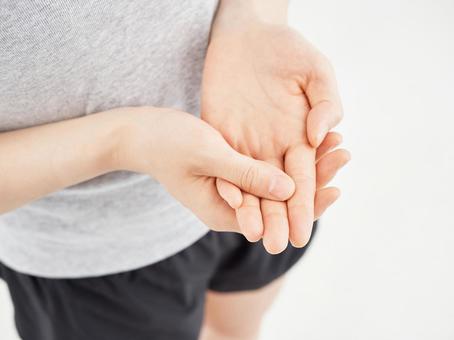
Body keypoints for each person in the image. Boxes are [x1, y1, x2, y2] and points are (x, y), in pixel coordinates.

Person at [0, 1, 350, 339]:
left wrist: (253, 18)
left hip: (252, 145)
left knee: (235, 329)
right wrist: (123, 141)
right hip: (90, 257)